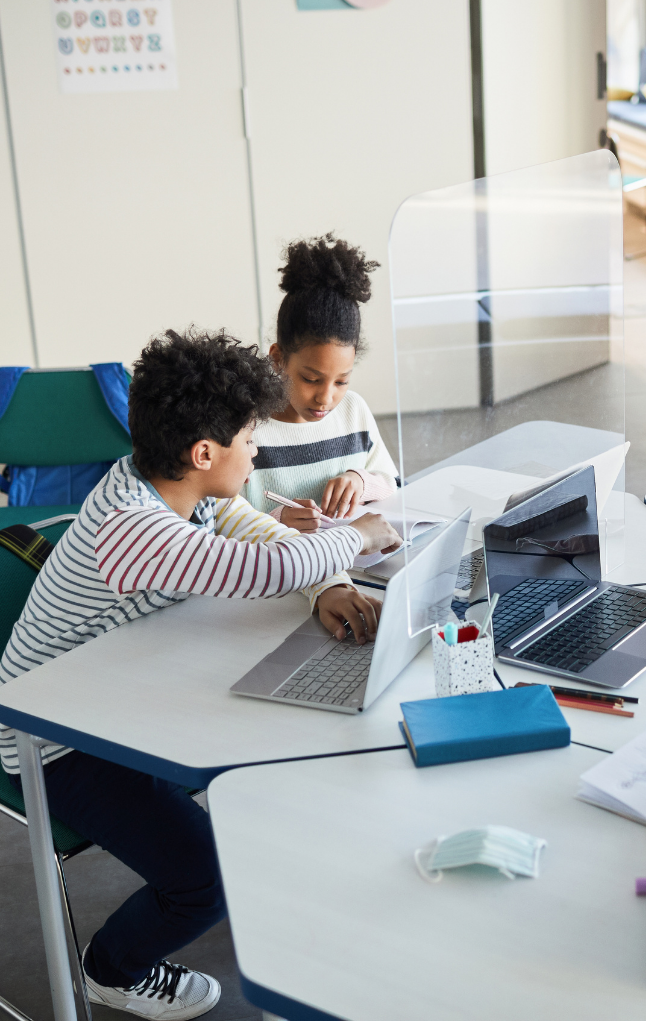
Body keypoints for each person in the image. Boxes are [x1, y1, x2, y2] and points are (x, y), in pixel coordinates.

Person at [0, 329, 402, 1019]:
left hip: (120, 698)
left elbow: (260, 534)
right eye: (250, 440)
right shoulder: (133, 526)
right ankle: (113, 967)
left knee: (274, 771)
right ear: (204, 453)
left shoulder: (184, 489)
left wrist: (330, 581)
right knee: (206, 878)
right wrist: (359, 535)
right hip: (53, 744)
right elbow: (266, 569)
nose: (257, 452)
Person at [245, 233, 398, 532]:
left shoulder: (354, 411)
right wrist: (277, 522)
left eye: (342, 381)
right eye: (311, 379)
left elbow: (392, 483)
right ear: (277, 359)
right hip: (284, 571)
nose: (325, 398)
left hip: (355, 565)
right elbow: (221, 523)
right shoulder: (248, 429)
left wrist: (360, 481)